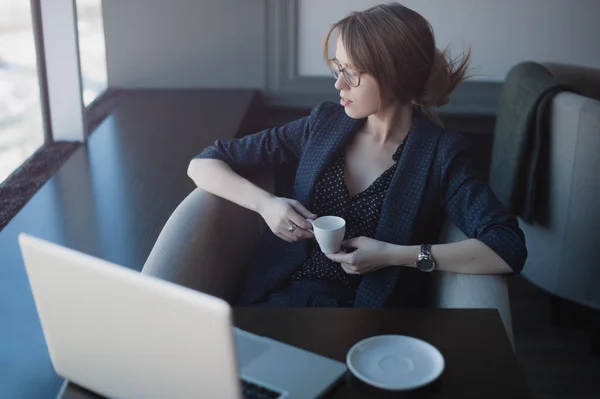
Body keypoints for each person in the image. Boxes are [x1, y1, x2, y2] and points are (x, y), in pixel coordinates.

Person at [187, 3, 527, 308]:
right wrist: (265, 204)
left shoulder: (441, 154)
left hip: (366, 326)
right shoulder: (322, 124)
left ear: (396, 75)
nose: (339, 84)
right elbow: (204, 162)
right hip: (275, 302)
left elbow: (507, 246)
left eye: (353, 72)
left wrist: (395, 256)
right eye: (338, 67)